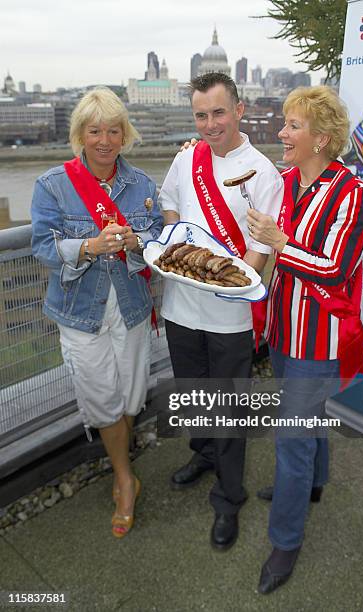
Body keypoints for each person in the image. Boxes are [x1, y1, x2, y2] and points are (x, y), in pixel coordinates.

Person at [246, 86, 363, 593]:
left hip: (319, 338)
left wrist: (280, 243)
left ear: (322, 139)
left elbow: (336, 269)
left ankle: (285, 541)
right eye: (284, 123)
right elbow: (246, 193)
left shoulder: (354, 194)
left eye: (292, 126)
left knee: (292, 437)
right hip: (283, 328)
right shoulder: (284, 182)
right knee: (306, 422)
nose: (281, 133)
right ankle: (313, 485)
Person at [158, 72, 284, 550]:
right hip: (180, 304)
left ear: (239, 109)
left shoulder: (263, 172)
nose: (210, 124)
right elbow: (170, 204)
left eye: (218, 112)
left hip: (229, 316)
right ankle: (203, 453)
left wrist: (224, 286)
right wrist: (177, 242)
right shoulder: (186, 157)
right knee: (193, 394)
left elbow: (259, 251)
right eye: (201, 115)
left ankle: (230, 497)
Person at [31, 87, 163, 538]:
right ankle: (125, 479)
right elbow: (43, 249)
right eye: (95, 131)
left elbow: (159, 248)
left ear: (124, 135)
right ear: (80, 135)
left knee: (128, 396)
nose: (104, 140)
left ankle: (123, 469)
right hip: (79, 311)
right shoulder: (52, 184)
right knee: (102, 399)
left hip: (130, 306)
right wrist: (87, 246)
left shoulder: (143, 186)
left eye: (113, 130)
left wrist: (137, 244)